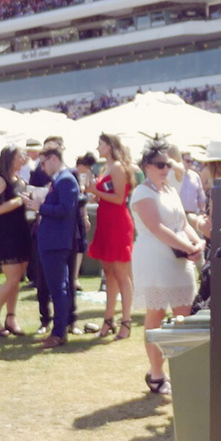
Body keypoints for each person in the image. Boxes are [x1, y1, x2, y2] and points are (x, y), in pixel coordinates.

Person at [132, 139, 205, 394]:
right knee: (156, 315)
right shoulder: (142, 193)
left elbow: (183, 223)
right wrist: (189, 248)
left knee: (184, 316)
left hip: (179, 260)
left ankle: (183, 372)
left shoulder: (170, 190)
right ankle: (156, 373)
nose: (166, 169)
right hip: (155, 259)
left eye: (168, 164)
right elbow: (157, 228)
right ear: (146, 167)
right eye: (160, 164)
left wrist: (198, 243)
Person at [30, 143, 80, 348]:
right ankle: (59, 330)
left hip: (56, 242)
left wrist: (40, 207)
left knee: (58, 289)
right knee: (59, 288)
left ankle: (59, 332)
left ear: (53, 159)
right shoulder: (61, 180)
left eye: (43, 162)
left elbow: (66, 210)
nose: (42, 167)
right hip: (53, 240)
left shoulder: (66, 180)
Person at [87, 133, 134, 340]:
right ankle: (109, 319)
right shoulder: (106, 167)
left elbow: (119, 198)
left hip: (117, 223)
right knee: (108, 270)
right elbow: (109, 197)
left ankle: (126, 321)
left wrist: (95, 192)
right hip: (106, 221)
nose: (97, 147)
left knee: (121, 273)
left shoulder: (117, 168)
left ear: (109, 146)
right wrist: (95, 194)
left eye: (100, 144)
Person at [0, 143, 33, 337]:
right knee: (12, 278)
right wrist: (19, 200)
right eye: (20, 156)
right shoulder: (0, 180)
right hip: (7, 235)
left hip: (22, 231)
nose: (23, 159)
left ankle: (11, 317)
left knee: (17, 280)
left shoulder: (20, 181)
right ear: (10, 159)